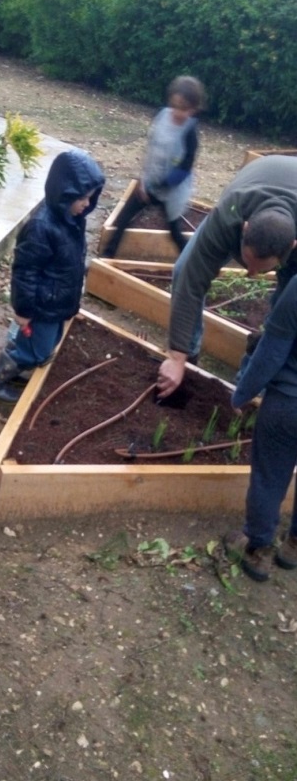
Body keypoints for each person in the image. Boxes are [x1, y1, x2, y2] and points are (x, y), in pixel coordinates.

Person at [157, 155, 297, 399]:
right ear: (244, 229)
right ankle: (190, 355)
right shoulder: (230, 214)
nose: (250, 274)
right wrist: (177, 355)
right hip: (256, 182)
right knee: (183, 269)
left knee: (283, 310)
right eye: (248, 262)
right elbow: (193, 277)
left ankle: (252, 381)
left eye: (262, 269)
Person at [0, 149, 105, 404]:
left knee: (48, 342)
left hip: (57, 301)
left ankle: (18, 370)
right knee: (34, 350)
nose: (86, 204)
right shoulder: (41, 226)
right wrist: (23, 310)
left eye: (90, 199)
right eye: (81, 198)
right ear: (65, 193)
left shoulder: (72, 220)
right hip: (41, 304)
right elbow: (25, 272)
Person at [223, 272, 297, 582]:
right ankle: (294, 546)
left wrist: (243, 391)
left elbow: (272, 351)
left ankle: (257, 548)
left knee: (270, 476)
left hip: (288, 402)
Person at [101, 75, 205, 259]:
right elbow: (151, 149)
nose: (177, 112)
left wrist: (159, 186)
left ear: (193, 109)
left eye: (183, 109)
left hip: (171, 191)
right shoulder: (161, 116)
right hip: (149, 182)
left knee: (174, 232)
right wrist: (143, 180)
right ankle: (106, 257)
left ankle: (191, 263)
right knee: (122, 219)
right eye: (174, 106)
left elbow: (184, 169)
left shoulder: (190, 133)